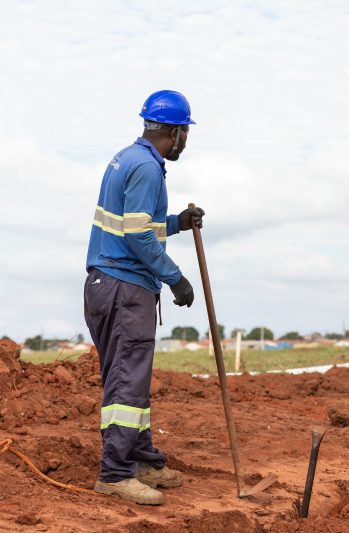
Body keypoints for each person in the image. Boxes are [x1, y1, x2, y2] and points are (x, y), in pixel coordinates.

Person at [84, 90, 204, 505]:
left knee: (129, 378)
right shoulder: (147, 168)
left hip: (110, 284)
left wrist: (176, 223)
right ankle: (115, 474)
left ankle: (142, 460)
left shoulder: (128, 159)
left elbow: (136, 226)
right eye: (185, 132)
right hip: (123, 286)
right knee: (126, 381)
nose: (185, 141)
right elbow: (135, 236)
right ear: (175, 131)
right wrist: (175, 277)